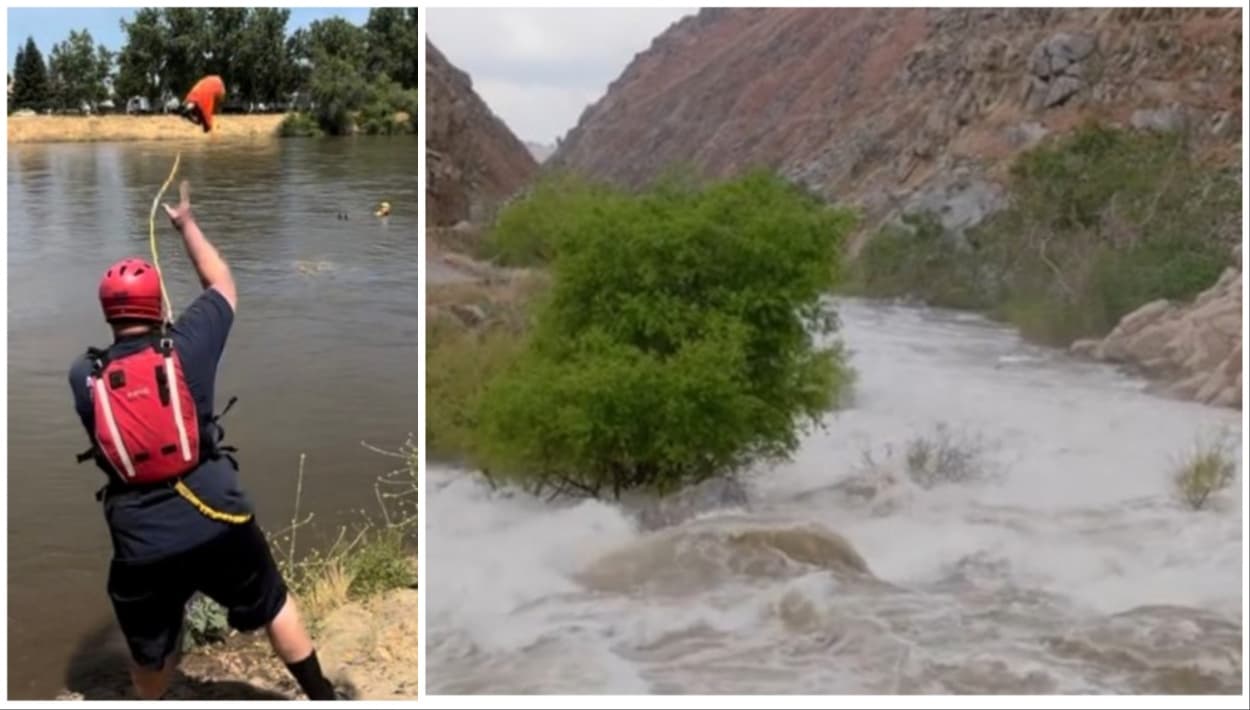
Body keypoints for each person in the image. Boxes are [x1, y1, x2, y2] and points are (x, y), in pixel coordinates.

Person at [68, 180, 339, 701]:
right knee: (275, 604)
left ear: (108, 313)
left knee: (151, 652)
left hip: (141, 539)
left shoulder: (83, 374)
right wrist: (186, 224)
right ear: (157, 306)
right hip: (216, 514)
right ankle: (322, 696)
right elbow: (222, 285)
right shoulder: (187, 347)